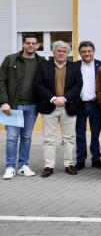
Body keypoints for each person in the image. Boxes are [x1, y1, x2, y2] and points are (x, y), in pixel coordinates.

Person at [34, 41, 83, 177]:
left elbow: (78, 86)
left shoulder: (74, 66)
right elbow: (38, 85)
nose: (61, 53)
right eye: (58, 51)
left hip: (69, 106)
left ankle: (69, 164)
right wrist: (53, 98)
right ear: (53, 52)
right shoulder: (43, 66)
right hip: (49, 106)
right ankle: (48, 166)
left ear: (67, 53)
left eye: (64, 51)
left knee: (69, 138)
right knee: (49, 139)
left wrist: (64, 98)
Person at [0, 33, 45, 179]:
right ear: (23, 44)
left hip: (32, 106)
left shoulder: (42, 61)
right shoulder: (11, 59)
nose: (31, 45)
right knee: (12, 137)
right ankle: (10, 167)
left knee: (26, 137)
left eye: (34, 43)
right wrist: (3, 102)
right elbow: (1, 81)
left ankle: (23, 165)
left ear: (38, 45)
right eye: (28, 43)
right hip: (13, 105)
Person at [74, 41, 101, 170]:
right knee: (80, 133)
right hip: (79, 104)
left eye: (89, 51)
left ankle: (96, 159)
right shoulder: (74, 66)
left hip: (95, 104)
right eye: (84, 52)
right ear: (80, 53)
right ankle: (80, 160)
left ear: (93, 52)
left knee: (96, 133)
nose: (87, 54)